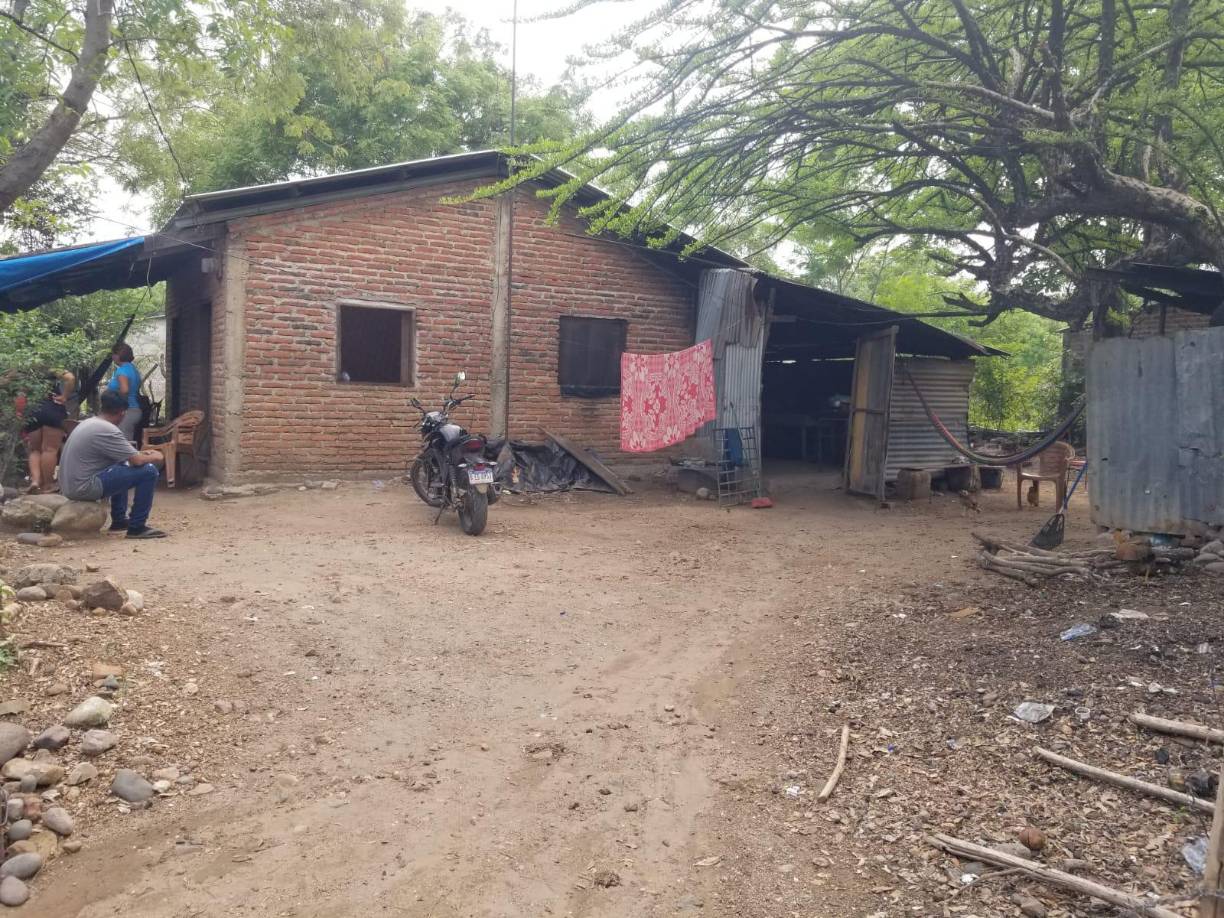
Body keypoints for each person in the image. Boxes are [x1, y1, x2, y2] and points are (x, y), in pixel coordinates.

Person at [59, 390, 167, 539]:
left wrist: (138, 456)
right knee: (148, 471)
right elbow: (137, 461)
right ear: (122, 413)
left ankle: (119, 520)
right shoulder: (107, 429)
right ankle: (137, 527)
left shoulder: (90, 423)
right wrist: (156, 455)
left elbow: (127, 456)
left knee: (121, 461)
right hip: (84, 487)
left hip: (71, 485)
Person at [3, 368, 77, 493]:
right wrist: (64, 396)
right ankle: (48, 485)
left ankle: (35, 481)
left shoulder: (20, 369)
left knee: (35, 450)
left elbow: (4, 382)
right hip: (53, 407)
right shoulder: (51, 368)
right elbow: (70, 378)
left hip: (32, 409)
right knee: (50, 449)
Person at [105, 343, 142, 442]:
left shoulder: (122, 371)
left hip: (126, 412)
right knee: (124, 442)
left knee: (122, 443)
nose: (112, 357)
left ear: (118, 355)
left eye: (113, 354)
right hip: (134, 410)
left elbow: (124, 390)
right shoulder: (133, 369)